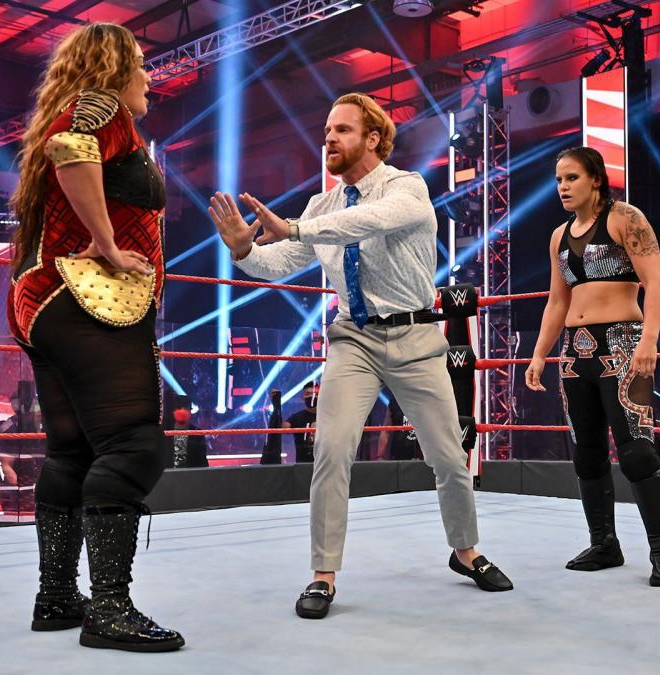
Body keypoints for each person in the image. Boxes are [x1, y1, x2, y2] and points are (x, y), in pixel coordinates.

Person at [209, 92, 513, 620]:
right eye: (327, 129)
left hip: (416, 339)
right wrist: (242, 249)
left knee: (448, 456)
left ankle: (466, 551)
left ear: (373, 138)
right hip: (354, 338)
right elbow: (277, 262)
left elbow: (368, 221)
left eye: (342, 130)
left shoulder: (406, 187)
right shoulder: (321, 207)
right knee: (331, 450)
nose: (329, 138)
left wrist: (296, 228)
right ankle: (323, 574)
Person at [5, 23, 182, 652]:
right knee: (133, 445)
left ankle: (56, 596)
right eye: (140, 63)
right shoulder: (103, 106)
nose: (148, 76)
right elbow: (71, 147)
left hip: (43, 299)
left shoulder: (84, 107)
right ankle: (109, 608)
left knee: (73, 451)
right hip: (86, 298)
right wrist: (106, 243)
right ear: (112, 66)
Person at [523, 146, 660, 587]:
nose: (562, 187)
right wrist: (539, 353)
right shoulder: (558, 235)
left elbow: (655, 282)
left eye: (571, 177)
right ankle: (604, 543)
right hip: (575, 353)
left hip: (623, 342)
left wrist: (649, 339)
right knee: (587, 454)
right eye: (558, 180)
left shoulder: (624, 217)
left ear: (595, 178)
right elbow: (557, 300)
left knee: (637, 452)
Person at [283, 383, 319, 463]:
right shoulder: (296, 417)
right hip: (302, 463)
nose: (312, 397)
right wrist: (277, 408)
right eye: (308, 394)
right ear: (302, 397)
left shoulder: (328, 416)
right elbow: (284, 428)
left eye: (315, 394)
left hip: (323, 463)